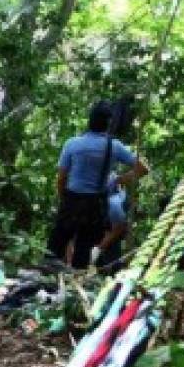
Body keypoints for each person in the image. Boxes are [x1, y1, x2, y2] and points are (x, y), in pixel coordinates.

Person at [47, 100, 148, 269]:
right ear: (108, 124)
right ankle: (76, 283)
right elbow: (143, 168)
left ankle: (47, 279)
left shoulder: (72, 144)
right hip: (95, 204)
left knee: (55, 247)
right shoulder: (114, 146)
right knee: (83, 251)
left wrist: (63, 199)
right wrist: (118, 180)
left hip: (72, 200)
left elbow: (61, 178)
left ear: (90, 121)